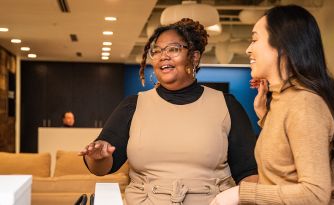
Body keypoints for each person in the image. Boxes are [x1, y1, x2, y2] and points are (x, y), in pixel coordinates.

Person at [79, 18, 258, 205]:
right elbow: (101, 168)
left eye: (173, 49)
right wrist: (98, 157)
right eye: (156, 51)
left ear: (194, 57)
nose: (163, 56)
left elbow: (249, 173)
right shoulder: (133, 106)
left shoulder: (226, 105)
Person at [209, 5, 334, 205]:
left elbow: (315, 195)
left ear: (282, 46)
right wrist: (264, 115)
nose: (248, 49)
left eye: (255, 39)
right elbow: (284, 163)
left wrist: (241, 194)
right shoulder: (284, 100)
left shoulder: (304, 103)